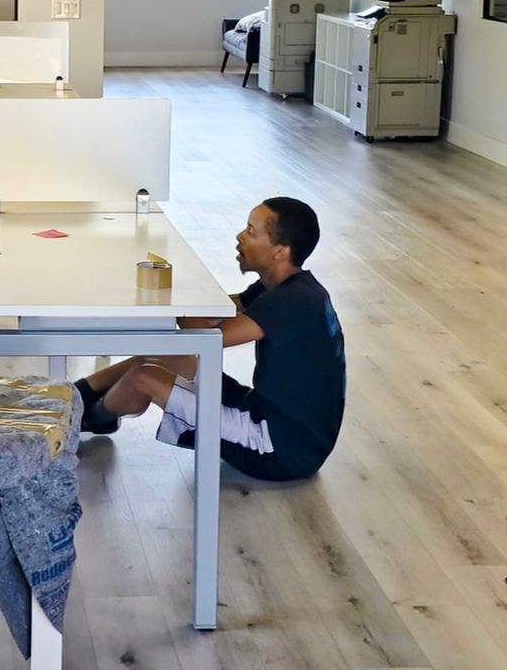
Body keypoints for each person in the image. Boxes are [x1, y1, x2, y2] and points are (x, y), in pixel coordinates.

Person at [73, 196, 345, 483]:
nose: (240, 237)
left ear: (280, 251)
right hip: (274, 416)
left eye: (251, 232)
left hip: (280, 447)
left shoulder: (291, 301)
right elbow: (217, 309)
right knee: (159, 358)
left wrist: (172, 295)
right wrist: (183, 293)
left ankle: (82, 419)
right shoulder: (289, 289)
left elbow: (203, 338)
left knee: (144, 377)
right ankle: (74, 395)